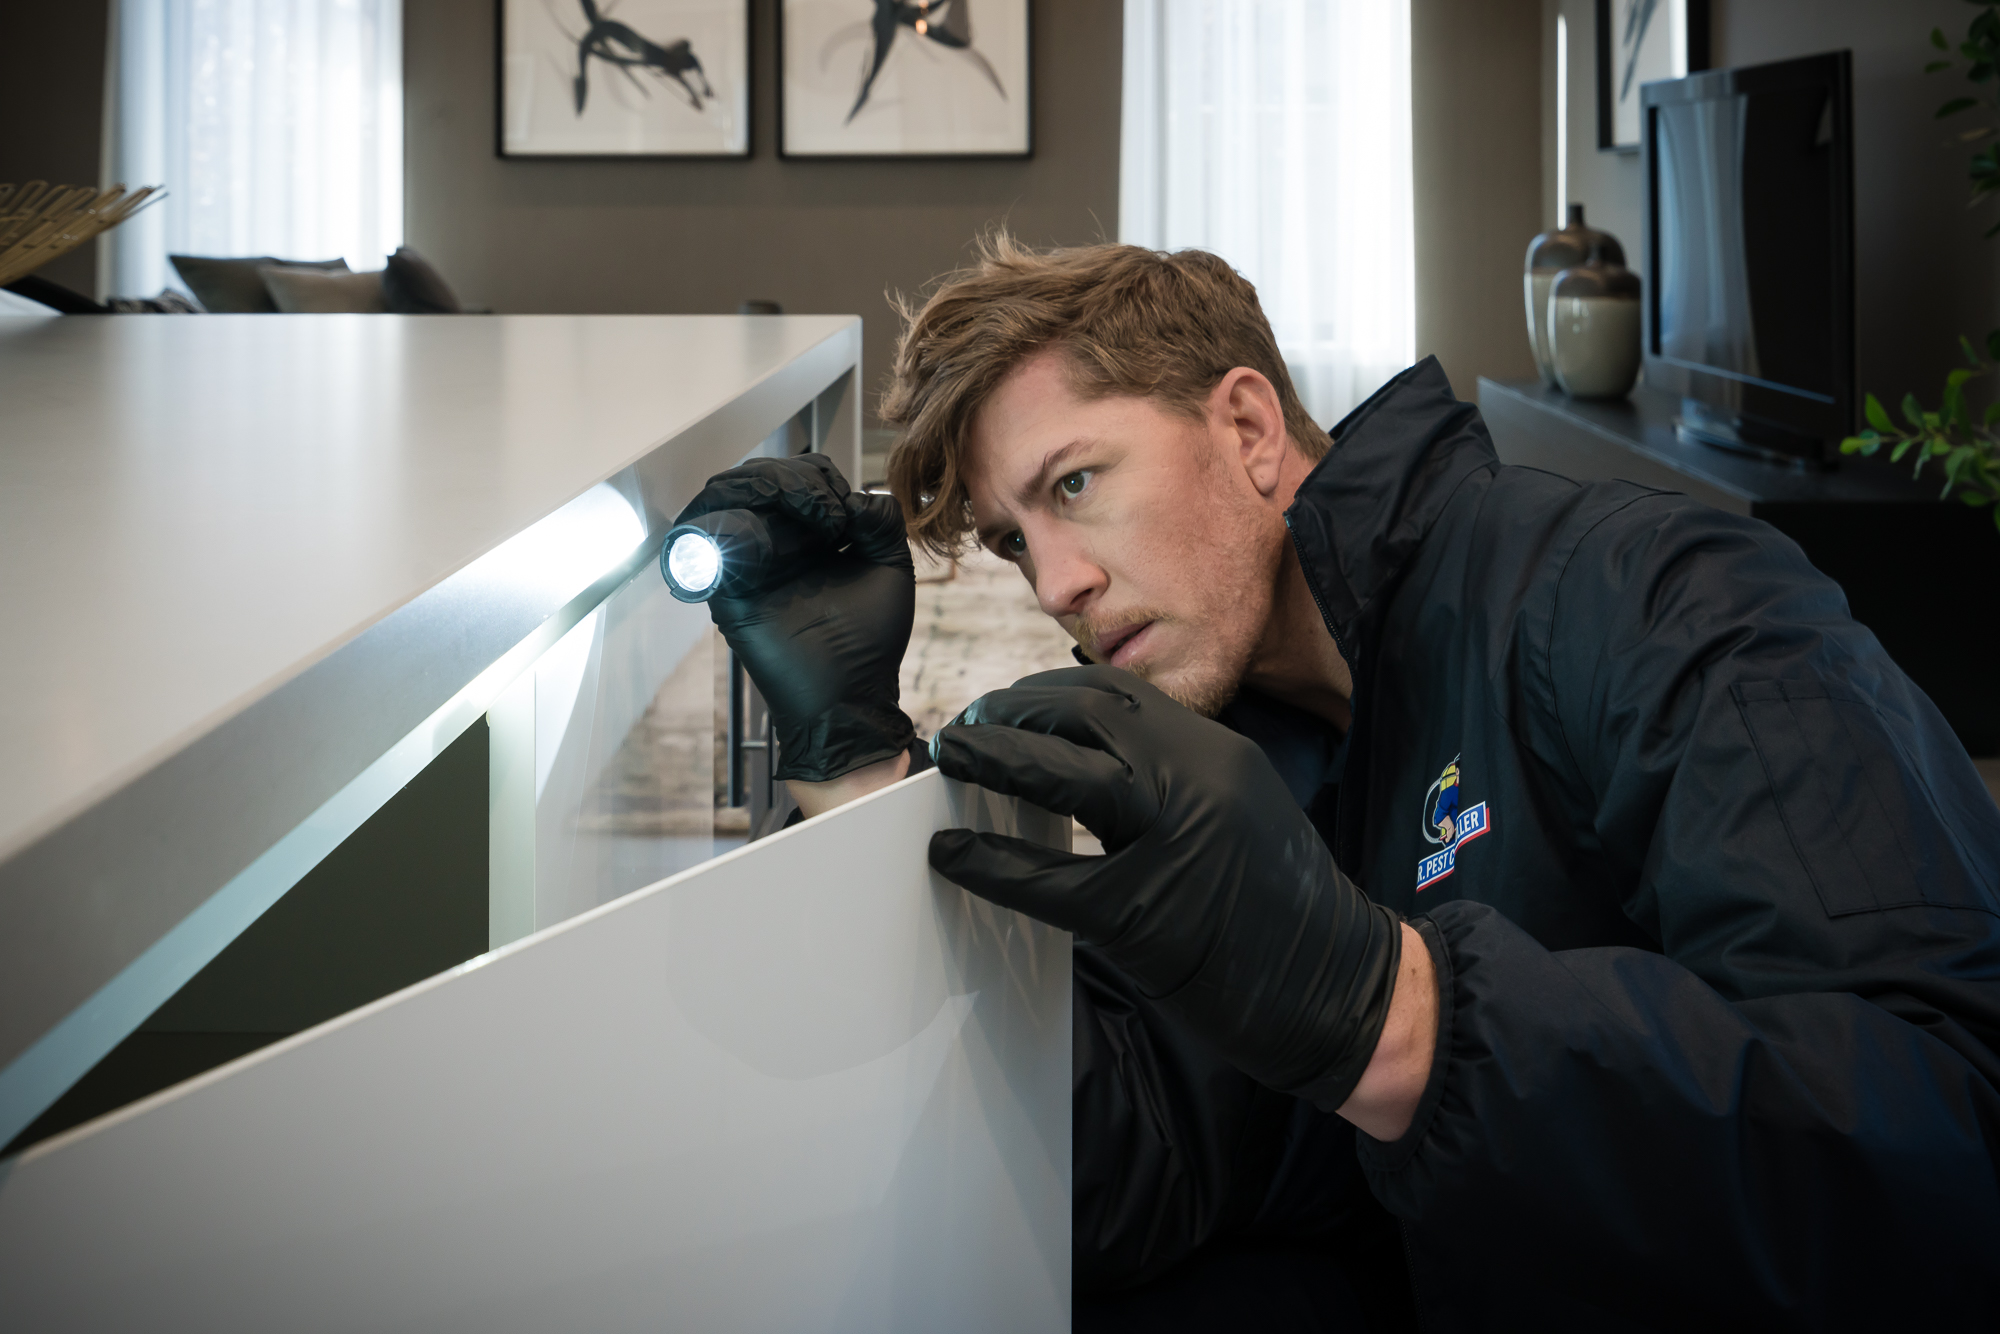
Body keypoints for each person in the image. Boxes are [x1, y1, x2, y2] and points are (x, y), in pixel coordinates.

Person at [674, 236, 2000, 1331]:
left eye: (1079, 483)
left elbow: (1948, 1148)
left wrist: (1393, 1011)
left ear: (1249, 425)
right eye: (1021, 539)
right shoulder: (1242, 753)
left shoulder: (1643, 595)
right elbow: (1123, 1176)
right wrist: (854, 756)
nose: (1060, 583)